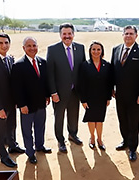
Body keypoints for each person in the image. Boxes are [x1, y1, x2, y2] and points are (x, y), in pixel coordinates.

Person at [111, 25, 139, 161]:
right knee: (122, 120)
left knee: (134, 122)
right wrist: (112, 88)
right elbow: (113, 71)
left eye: (131, 33)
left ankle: (133, 148)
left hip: (135, 96)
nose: (128, 36)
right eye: (126, 33)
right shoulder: (116, 49)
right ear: (122, 35)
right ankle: (125, 141)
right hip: (119, 95)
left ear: (136, 36)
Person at [0, 33, 25, 168]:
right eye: (0, 43)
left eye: (6, 42)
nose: (4, 45)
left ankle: (13, 146)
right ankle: (3, 155)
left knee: (12, 127)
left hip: (11, 103)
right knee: (0, 132)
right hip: (0, 106)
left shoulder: (10, 59)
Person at [11, 37, 52, 164]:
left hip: (41, 104)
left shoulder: (42, 62)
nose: (32, 48)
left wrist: (47, 96)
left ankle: (40, 146)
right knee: (27, 130)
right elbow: (16, 88)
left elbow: (44, 82)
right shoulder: (18, 65)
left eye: (34, 45)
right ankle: (30, 152)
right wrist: (22, 105)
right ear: (24, 48)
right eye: (29, 46)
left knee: (40, 126)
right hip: (27, 106)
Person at [47, 23, 86, 153]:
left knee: (74, 115)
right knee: (59, 116)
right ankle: (60, 140)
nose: (67, 36)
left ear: (73, 34)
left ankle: (73, 134)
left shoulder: (80, 48)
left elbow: (83, 70)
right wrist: (53, 92)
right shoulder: (53, 49)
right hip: (59, 92)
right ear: (60, 35)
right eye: (64, 34)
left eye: (69, 34)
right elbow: (50, 73)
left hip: (76, 91)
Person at [79, 41, 112, 151]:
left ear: (102, 51)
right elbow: (81, 84)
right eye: (94, 49)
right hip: (89, 98)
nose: (96, 52)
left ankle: (99, 139)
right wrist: (83, 100)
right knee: (91, 119)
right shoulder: (84, 65)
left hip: (102, 98)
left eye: (98, 49)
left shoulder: (107, 65)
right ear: (90, 51)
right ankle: (92, 137)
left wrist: (108, 97)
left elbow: (109, 83)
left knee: (100, 119)